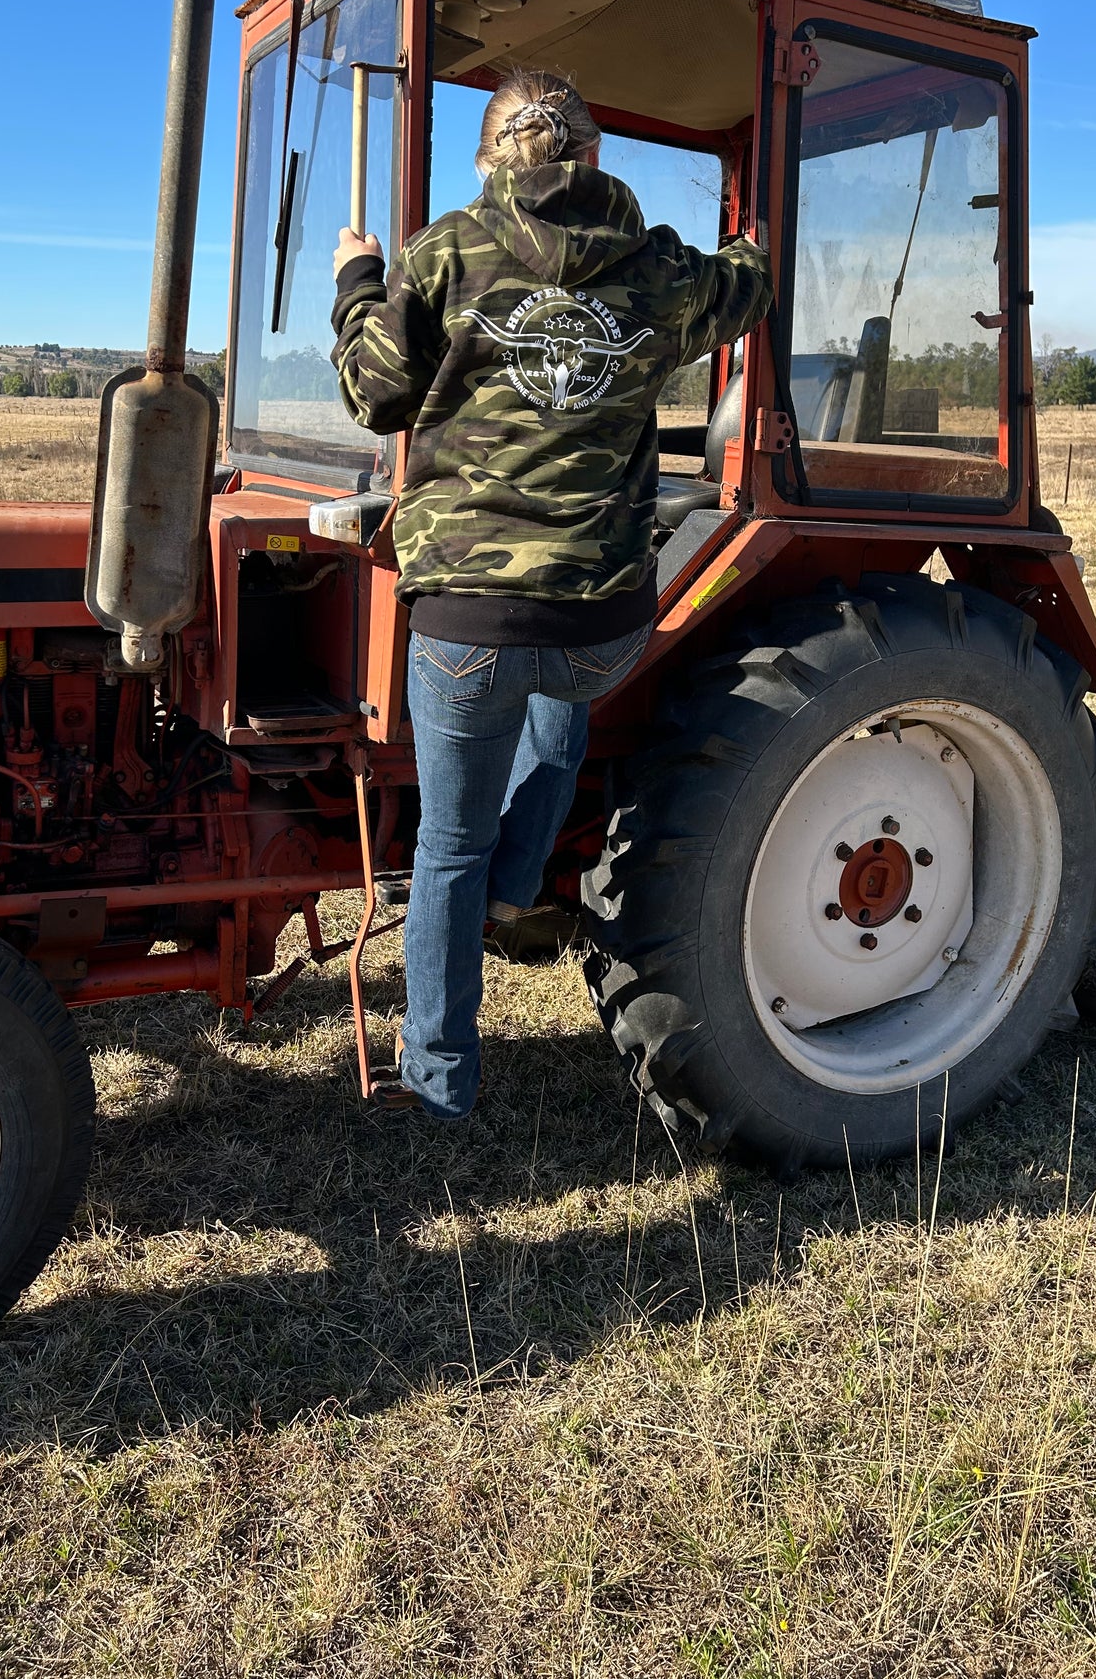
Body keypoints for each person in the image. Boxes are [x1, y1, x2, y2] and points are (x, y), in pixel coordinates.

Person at [330, 67, 772, 1120]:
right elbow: (745, 288)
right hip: (598, 622)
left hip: (468, 618)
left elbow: (372, 392)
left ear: (489, 159)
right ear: (594, 157)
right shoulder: (658, 266)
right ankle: (519, 886)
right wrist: (755, 235)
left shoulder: (443, 254)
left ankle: (439, 1076)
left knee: (446, 842)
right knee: (557, 717)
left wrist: (356, 280)